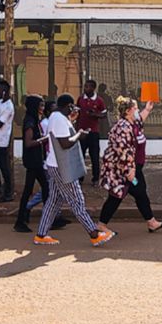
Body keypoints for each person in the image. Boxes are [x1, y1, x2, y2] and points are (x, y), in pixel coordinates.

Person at [34, 94, 114, 247]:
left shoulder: (57, 117)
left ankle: (41, 234)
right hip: (61, 167)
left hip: (55, 165)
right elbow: (64, 143)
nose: (73, 109)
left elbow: (62, 136)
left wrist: (73, 123)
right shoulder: (58, 118)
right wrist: (79, 134)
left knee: (54, 201)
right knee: (76, 200)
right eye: (71, 107)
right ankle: (94, 234)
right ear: (67, 106)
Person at [97, 97, 162, 233]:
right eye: (135, 108)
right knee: (120, 195)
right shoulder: (122, 128)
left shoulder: (132, 123)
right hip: (124, 171)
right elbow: (122, 152)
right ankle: (102, 225)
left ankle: (151, 222)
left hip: (134, 169)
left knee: (137, 193)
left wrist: (147, 109)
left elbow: (140, 119)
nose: (137, 111)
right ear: (129, 111)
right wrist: (129, 171)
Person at [14, 95, 48, 232]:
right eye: (40, 106)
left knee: (46, 188)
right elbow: (28, 143)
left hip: (36, 160)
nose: (42, 109)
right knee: (31, 190)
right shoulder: (30, 122)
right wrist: (44, 139)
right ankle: (21, 220)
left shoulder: (34, 120)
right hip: (33, 161)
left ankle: (47, 217)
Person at [76, 79, 107, 186]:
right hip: (81, 131)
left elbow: (104, 114)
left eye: (88, 87)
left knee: (94, 156)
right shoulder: (80, 99)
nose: (85, 89)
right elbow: (77, 113)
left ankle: (95, 178)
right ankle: (79, 178)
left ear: (93, 88)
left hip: (93, 132)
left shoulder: (99, 100)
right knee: (80, 156)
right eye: (85, 86)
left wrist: (95, 114)